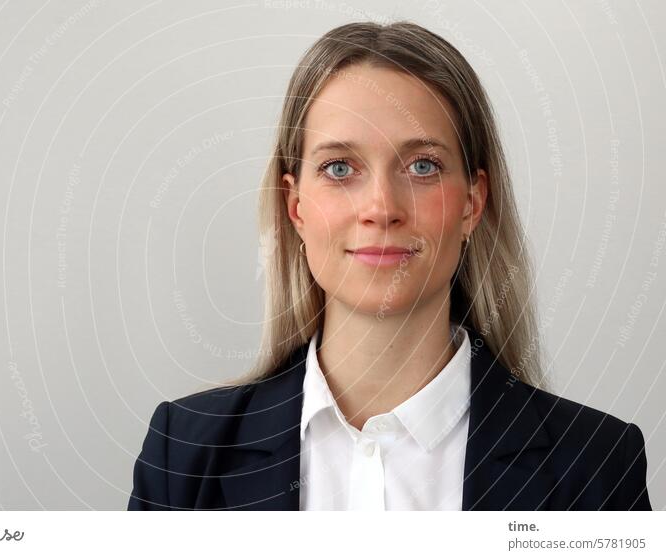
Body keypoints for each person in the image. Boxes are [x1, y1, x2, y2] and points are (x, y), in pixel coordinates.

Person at [127, 20, 652, 510]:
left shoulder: (596, 467)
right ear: (296, 208)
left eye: (423, 166)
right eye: (339, 168)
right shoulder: (184, 456)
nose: (381, 207)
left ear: (473, 201)